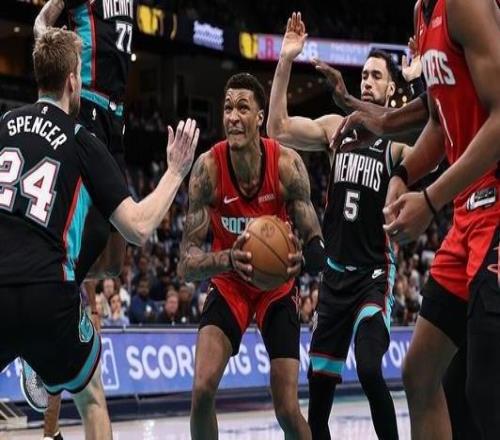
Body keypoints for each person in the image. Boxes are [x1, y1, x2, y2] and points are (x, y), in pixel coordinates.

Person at [0, 28, 199, 440]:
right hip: (48, 292)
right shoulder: (81, 139)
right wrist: (176, 171)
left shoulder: (2, 125)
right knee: (91, 398)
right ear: (73, 80)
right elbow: (139, 227)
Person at [267, 12, 416, 440]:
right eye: (364, 75)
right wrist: (286, 60)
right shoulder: (337, 129)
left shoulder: (399, 143)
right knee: (319, 400)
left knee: (369, 369)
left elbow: (437, 140)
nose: (367, 81)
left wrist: (421, 82)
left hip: (373, 276)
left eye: (376, 76)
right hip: (334, 278)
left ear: (392, 89)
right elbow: (277, 128)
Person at [178, 72, 325, 440]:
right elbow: (186, 265)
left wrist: (303, 260)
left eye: (243, 108)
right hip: (230, 283)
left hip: (277, 286)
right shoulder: (208, 169)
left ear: (260, 117)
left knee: (287, 409)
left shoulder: (287, 164)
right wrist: (229, 259)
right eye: (228, 108)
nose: (233, 116)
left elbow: (315, 244)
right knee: (202, 390)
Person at [381, 0, 500, 438]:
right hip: (467, 213)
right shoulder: (421, 12)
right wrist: (403, 174)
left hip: (497, 205)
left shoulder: (464, 4)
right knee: (421, 373)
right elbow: (438, 121)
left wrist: (430, 200)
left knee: (486, 388)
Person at [33, 2, 137, 436]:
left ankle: (60, 299)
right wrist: (51, 34)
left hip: (117, 116)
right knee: (90, 231)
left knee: (113, 260)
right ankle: (53, 302)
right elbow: (43, 21)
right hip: (86, 105)